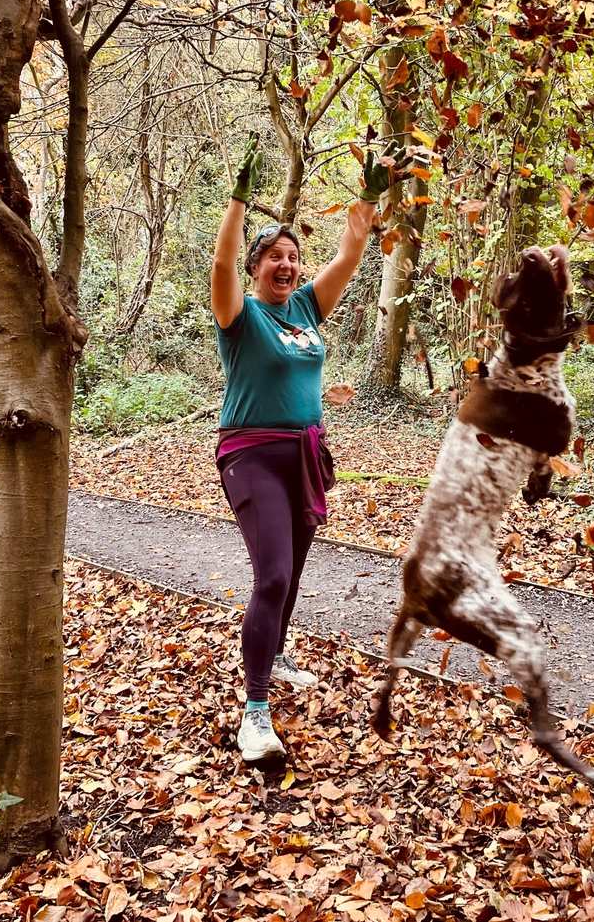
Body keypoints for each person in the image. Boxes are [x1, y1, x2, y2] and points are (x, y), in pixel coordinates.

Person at [211, 135, 400, 763]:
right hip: (250, 453)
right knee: (272, 574)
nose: (287, 266)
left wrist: (368, 200)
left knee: (291, 573)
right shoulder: (242, 315)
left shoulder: (306, 311)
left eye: (293, 257)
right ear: (258, 266)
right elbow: (222, 267)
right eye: (274, 258)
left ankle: (278, 649)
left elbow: (350, 254)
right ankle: (255, 713)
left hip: (305, 455)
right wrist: (239, 202)